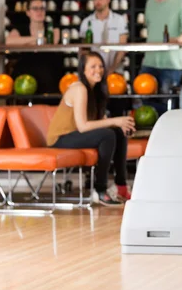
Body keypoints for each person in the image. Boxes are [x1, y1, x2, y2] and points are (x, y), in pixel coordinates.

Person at [47, 51, 135, 205]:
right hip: (61, 138)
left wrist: (122, 125)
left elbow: (100, 121)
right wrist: (116, 121)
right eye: (93, 66)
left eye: (101, 66)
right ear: (83, 70)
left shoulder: (96, 91)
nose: (98, 70)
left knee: (117, 132)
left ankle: (121, 186)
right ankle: (99, 190)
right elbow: (83, 126)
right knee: (108, 135)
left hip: (75, 135)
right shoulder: (79, 88)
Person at [140, 0, 182, 94]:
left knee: (167, 102)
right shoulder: (150, 2)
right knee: (143, 101)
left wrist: (176, 40)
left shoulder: (181, 0)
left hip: (171, 63)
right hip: (149, 61)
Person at [6, 0, 62, 93]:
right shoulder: (21, 28)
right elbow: (9, 41)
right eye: (35, 8)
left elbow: (53, 41)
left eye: (42, 8)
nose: (39, 11)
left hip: (47, 65)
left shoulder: (52, 27)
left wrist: (25, 42)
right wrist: (36, 39)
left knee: (46, 71)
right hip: (26, 65)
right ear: (28, 12)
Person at [80, 0, 128, 74]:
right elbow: (84, 50)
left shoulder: (119, 20)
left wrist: (112, 69)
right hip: (94, 72)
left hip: (116, 71)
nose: (97, 2)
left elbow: (122, 47)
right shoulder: (86, 22)